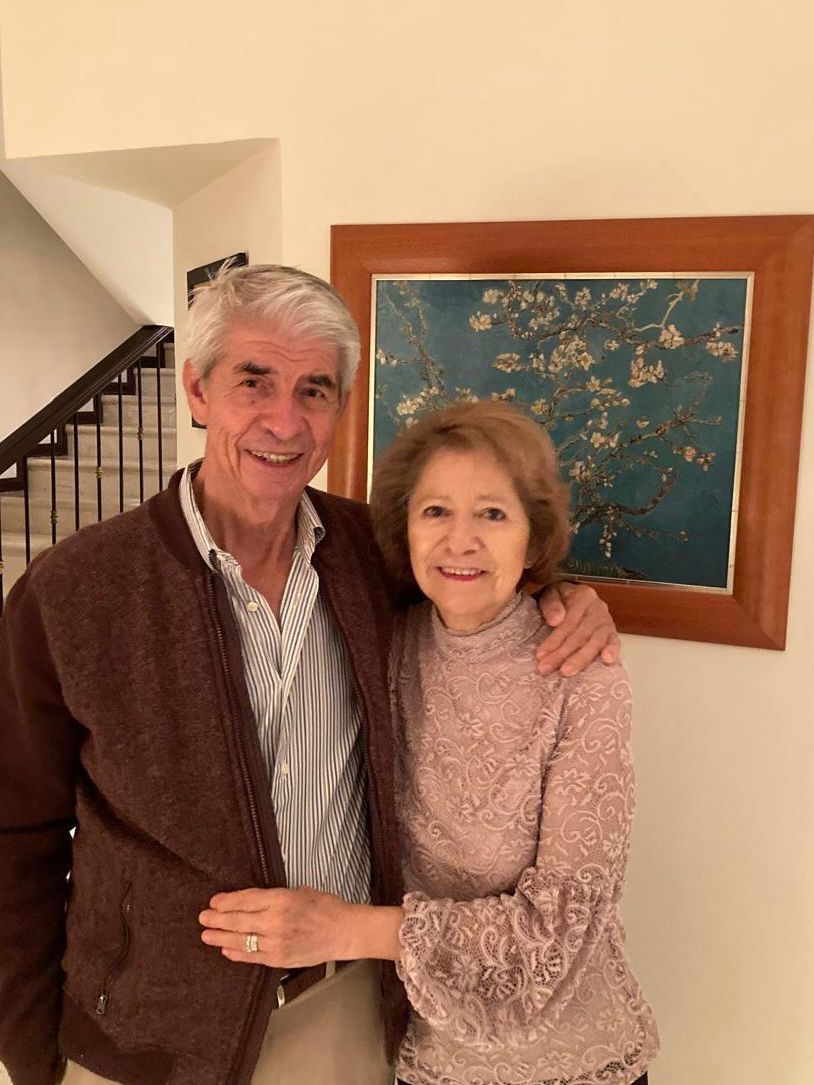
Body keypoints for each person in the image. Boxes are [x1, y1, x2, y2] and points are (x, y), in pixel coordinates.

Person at [0, 266, 620, 1085]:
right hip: (144, 1041)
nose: (284, 420)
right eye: (253, 381)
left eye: (314, 390)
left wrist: (563, 593)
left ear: (340, 407)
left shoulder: (377, 555)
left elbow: (479, 577)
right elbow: (16, 837)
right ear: (197, 390)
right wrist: (31, 1054)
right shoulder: (74, 591)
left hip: (346, 1021)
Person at [199, 400, 659, 1085]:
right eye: (436, 511)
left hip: (565, 1060)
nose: (459, 541)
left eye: (493, 514)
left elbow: (557, 935)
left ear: (533, 538)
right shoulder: (382, 641)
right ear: (404, 529)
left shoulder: (582, 675)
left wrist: (343, 929)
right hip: (408, 1053)